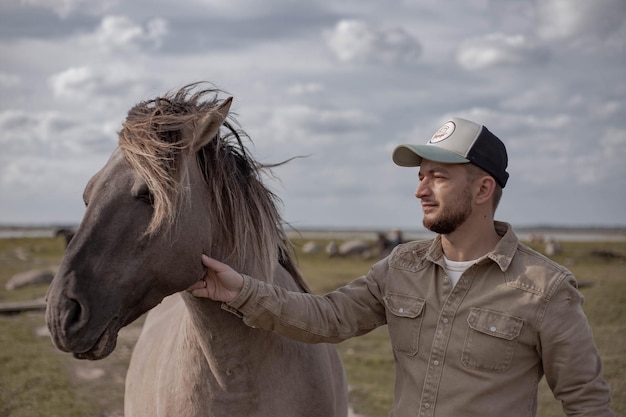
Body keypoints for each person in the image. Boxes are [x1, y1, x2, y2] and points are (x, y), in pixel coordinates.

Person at [188, 117, 615, 417]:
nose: (420, 191)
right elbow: (328, 318)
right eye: (420, 176)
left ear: (484, 189)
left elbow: (586, 402)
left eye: (438, 177)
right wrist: (241, 290)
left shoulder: (546, 289)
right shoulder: (401, 266)